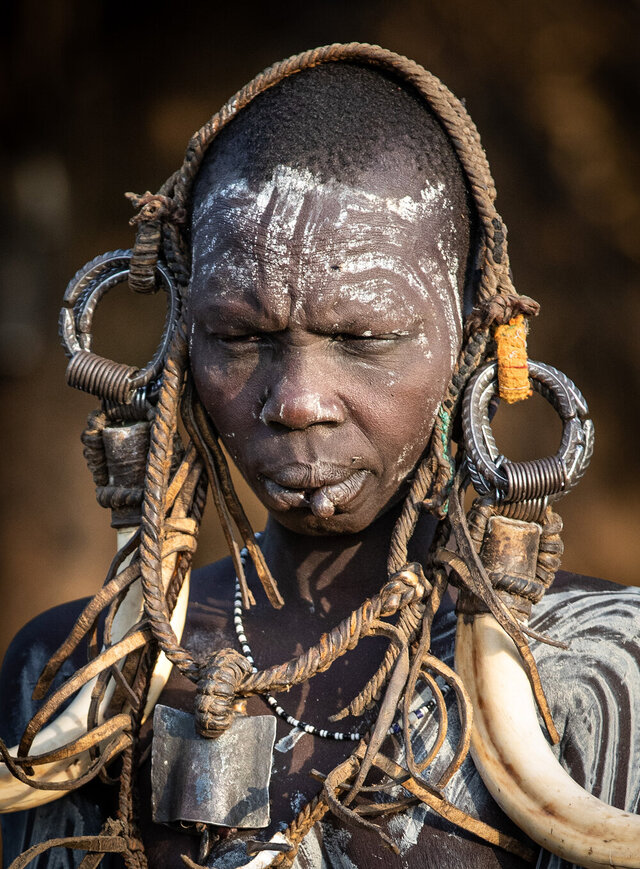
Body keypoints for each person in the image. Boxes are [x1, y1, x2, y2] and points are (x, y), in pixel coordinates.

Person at [1, 44, 638, 869]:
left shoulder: (601, 673)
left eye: (363, 338)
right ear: (179, 332)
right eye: (238, 336)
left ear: (473, 329)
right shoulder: (71, 679)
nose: (297, 399)